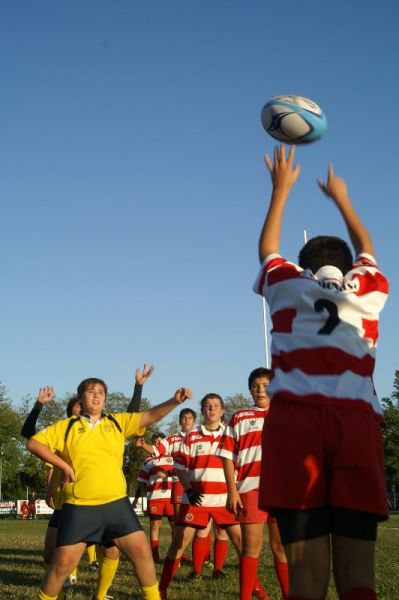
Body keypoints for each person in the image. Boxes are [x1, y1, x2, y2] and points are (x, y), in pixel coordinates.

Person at [253, 144, 389, 600]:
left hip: (296, 422)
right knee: (359, 583)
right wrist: (342, 197)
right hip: (355, 421)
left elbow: (268, 250)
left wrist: (281, 189)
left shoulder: (289, 284)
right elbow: (368, 249)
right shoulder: (367, 288)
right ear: (349, 268)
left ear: (302, 264)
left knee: (307, 584)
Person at [26, 376, 191, 600]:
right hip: (80, 506)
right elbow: (33, 443)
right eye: (91, 391)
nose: (96, 395)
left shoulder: (116, 422)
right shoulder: (66, 427)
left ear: (105, 399)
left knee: (142, 553)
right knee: (62, 564)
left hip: (116, 505)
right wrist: (63, 465)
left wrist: (174, 401)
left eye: (101, 392)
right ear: (81, 398)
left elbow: (149, 416)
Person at [159, 393, 242, 599]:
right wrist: (188, 489)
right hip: (196, 500)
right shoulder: (191, 435)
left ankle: (255, 589)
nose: (211, 409)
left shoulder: (231, 434)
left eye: (215, 406)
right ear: (202, 411)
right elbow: (178, 467)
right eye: (207, 406)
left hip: (225, 500)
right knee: (178, 543)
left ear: (222, 411)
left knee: (245, 546)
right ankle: (161, 589)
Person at [218, 367, 289, 600]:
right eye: (256, 386)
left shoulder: (286, 414)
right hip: (251, 489)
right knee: (251, 549)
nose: (260, 390)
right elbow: (227, 456)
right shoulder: (239, 417)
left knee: (281, 549)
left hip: (282, 491)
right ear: (249, 389)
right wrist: (232, 491)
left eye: (266, 385)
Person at [134, 432, 175, 562]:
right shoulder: (148, 461)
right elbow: (142, 481)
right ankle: (156, 556)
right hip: (154, 498)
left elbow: (180, 474)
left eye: (160, 439)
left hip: (172, 497)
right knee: (154, 526)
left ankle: (176, 555)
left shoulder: (172, 457)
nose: (157, 442)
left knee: (176, 526)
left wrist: (167, 474)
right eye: (155, 440)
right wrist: (136, 498)